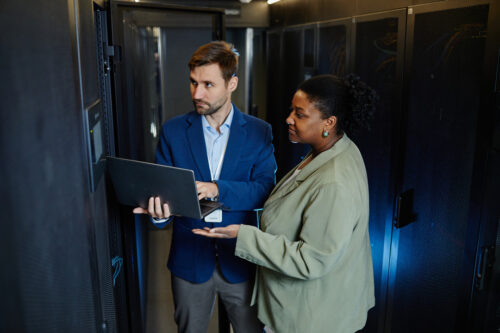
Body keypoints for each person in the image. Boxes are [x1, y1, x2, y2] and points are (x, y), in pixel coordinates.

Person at [193, 74, 377, 333]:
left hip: (313, 318)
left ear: (329, 122)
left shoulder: (333, 182)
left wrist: (244, 236)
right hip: (306, 305)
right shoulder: (330, 150)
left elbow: (311, 260)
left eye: (300, 114)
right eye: (292, 109)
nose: (288, 118)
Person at [133, 41, 276, 333]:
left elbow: (265, 189)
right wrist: (160, 214)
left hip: (241, 261)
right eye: (194, 83)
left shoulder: (259, 132)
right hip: (189, 260)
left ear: (231, 83)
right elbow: (163, 191)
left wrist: (216, 188)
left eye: (208, 84)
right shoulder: (173, 131)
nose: (197, 93)